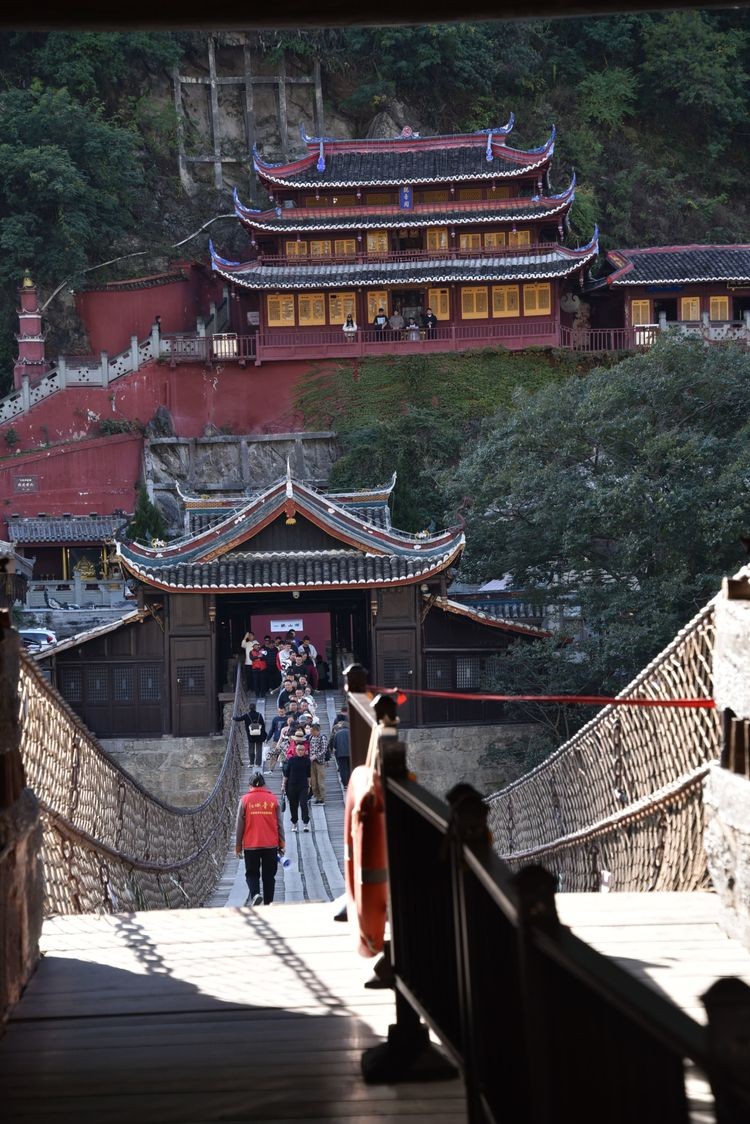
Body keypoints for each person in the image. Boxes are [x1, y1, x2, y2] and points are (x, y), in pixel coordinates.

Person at [235, 771, 285, 906]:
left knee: (252, 873)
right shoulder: (273, 799)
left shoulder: (244, 800)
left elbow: (239, 825)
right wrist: (282, 844)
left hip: (251, 845)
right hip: (270, 844)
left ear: (250, 785)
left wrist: (238, 847)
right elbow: (279, 824)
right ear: (264, 785)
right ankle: (268, 903)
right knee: (269, 876)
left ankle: (255, 894)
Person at [282, 732, 312, 832]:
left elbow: (308, 774)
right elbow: (286, 774)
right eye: (299, 750)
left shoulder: (307, 760)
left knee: (303, 804)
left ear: (305, 751)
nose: (300, 751)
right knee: (293, 805)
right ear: (295, 750)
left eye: (302, 750)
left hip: (303, 785)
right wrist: (283, 785)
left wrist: (309, 785)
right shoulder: (291, 760)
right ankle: (294, 823)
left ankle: (305, 823)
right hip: (291, 785)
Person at [233, 702, 267, 768]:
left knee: (251, 749)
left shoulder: (247, 715)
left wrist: (233, 718)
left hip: (250, 735)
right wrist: (264, 735)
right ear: (255, 708)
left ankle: (251, 763)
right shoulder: (259, 715)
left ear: (249, 708)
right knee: (259, 749)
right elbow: (263, 725)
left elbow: (239, 719)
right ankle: (258, 763)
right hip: (259, 735)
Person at [308, 722, 329, 804]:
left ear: (316, 730)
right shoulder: (310, 737)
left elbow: (324, 749)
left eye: (312, 731)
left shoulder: (322, 737)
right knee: (313, 781)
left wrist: (316, 756)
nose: (311, 732)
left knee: (320, 781)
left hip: (320, 762)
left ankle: (322, 797)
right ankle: (317, 797)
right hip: (311, 762)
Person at [330, 713, 351, 788]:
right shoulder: (350, 731)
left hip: (340, 753)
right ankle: (350, 782)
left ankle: (345, 784)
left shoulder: (337, 732)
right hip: (350, 753)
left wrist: (331, 749)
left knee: (342, 769)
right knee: (349, 768)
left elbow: (334, 744)